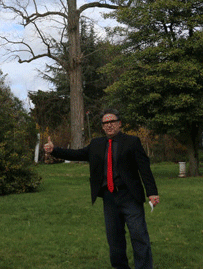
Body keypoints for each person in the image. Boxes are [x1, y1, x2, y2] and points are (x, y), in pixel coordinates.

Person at [44, 108, 160, 269]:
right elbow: (77, 154)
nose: (109, 125)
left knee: (139, 235)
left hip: (130, 196)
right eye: (105, 123)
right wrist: (54, 150)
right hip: (109, 198)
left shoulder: (132, 142)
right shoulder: (97, 144)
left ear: (119, 124)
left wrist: (152, 192)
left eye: (112, 121)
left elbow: (144, 169)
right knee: (114, 239)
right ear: (103, 127)